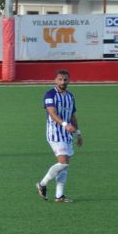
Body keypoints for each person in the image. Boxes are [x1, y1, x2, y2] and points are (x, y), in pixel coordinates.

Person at [36, 69, 83, 202]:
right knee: (64, 163)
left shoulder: (70, 96)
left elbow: (72, 115)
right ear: (55, 80)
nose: (63, 82)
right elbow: (52, 113)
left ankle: (60, 195)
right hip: (55, 133)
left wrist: (78, 133)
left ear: (69, 80)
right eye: (60, 79)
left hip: (67, 134)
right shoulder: (50, 94)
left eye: (65, 79)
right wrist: (64, 124)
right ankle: (42, 184)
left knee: (64, 166)